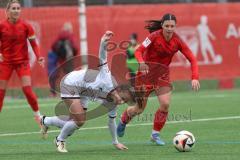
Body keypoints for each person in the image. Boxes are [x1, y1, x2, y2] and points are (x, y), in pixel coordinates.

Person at [41, 31, 137, 153]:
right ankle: (59, 140)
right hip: (71, 83)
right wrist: (103, 41)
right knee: (80, 120)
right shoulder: (107, 78)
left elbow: (111, 122)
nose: (121, 101)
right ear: (119, 89)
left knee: (75, 121)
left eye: (124, 102)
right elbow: (103, 56)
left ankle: (45, 121)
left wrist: (115, 142)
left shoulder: (113, 103)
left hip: (83, 92)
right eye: (123, 97)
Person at [117, 13, 200, 145]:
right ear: (162, 26)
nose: (169, 28)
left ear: (175, 27)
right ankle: (123, 119)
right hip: (145, 76)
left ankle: (155, 134)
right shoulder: (153, 37)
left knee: (165, 104)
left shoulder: (177, 40)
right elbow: (139, 51)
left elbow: (192, 58)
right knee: (139, 109)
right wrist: (141, 62)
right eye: (167, 25)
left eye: (172, 26)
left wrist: (195, 77)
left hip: (162, 76)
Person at [0, 0, 44, 125]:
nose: (16, 11)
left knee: (27, 90)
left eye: (18, 8)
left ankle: (38, 116)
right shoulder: (2, 26)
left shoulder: (26, 26)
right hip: (6, 63)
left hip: (22, 63)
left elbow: (34, 45)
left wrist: (39, 56)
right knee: (0, 93)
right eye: (13, 8)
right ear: (7, 11)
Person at [48, 22, 78, 96]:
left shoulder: (60, 36)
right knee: (70, 75)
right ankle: (70, 92)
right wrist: (74, 54)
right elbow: (75, 47)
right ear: (70, 29)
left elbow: (53, 45)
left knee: (55, 75)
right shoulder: (71, 36)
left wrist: (58, 54)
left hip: (59, 59)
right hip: (68, 59)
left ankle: (53, 92)